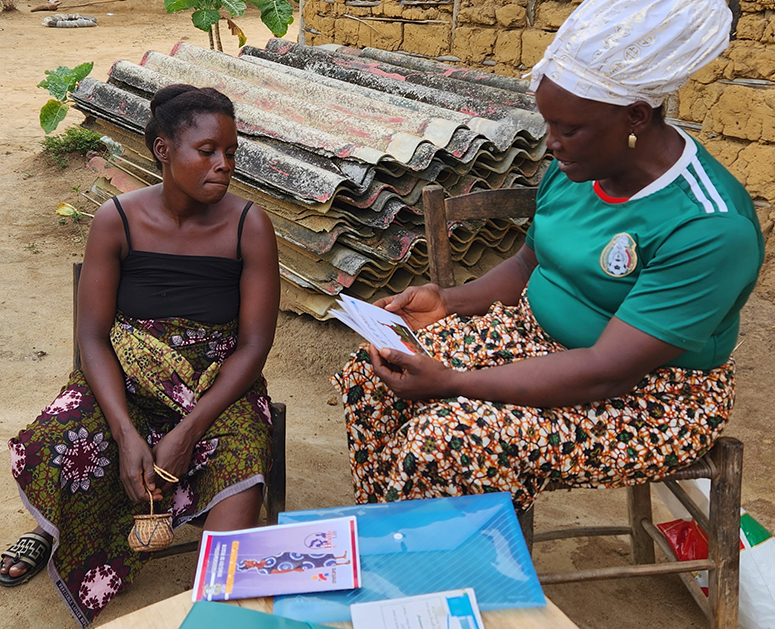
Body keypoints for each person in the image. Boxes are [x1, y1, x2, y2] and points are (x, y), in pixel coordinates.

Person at [333, 0, 764, 511]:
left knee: (450, 439)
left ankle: (445, 576)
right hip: (537, 339)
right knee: (374, 370)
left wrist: (455, 384)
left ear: (635, 116)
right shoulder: (578, 166)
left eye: (568, 129)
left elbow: (608, 370)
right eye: (548, 125)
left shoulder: (708, 227)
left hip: (652, 399)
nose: (551, 144)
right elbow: (526, 264)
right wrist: (448, 300)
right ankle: (388, 536)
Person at [2, 85, 280, 626]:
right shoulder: (117, 219)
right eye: (207, 151)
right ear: (162, 150)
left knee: (240, 477)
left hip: (218, 391)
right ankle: (52, 531)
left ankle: (220, 611)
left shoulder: (250, 225)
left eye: (231, 152)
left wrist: (188, 431)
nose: (223, 165)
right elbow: (94, 336)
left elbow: (253, 346)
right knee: (59, 442)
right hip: (124, 382)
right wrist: (128, 431)